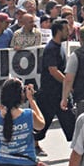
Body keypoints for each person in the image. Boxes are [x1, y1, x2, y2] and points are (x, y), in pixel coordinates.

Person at [34, 19, 75, 155]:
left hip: (59, 93)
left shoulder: (60, 46)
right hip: (49, 94)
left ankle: (80, 148)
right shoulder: (51, 48)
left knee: (70, 121)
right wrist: (68, 83)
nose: (69, 31)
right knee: (41, 123)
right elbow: (53, 70)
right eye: (66, 29)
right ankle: (33, 146)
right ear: (58, 31)